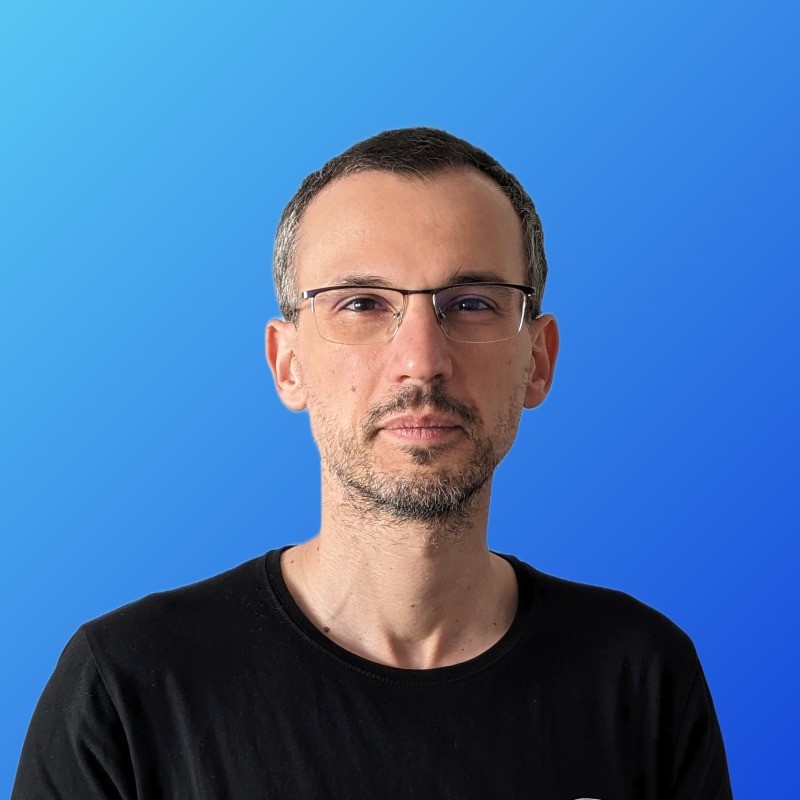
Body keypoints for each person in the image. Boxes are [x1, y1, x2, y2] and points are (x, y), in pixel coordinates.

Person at [12, 127, 733, 799]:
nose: (420, 360)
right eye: (361, 303)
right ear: (287, 363)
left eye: (471, 303)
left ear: (538, 361)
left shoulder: (641, 678)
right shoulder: (128, 688)